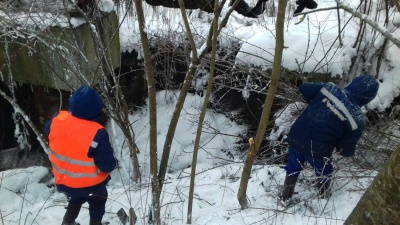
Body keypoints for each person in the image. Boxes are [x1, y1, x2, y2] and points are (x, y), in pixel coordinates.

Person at [280, 75, 379, 202]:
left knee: (293, 166)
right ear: (367, 99)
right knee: (324, 173)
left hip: (296, 136)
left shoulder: (329, 89)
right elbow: (345, 149)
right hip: (319, 149)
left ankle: (286, 196)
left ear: (352, 83)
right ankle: (323, 200)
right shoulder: (357, 120)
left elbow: (304, 88)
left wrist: (319, 101)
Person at [45, 86, 117, 225]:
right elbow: (106, 165)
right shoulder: (98, 133)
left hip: (64, 180)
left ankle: (67, 221)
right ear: (96, 110)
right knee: (98, 199)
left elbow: (49, 128)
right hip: (90, 185)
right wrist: (114, 162)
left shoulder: (57, 120)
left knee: (77, 196)